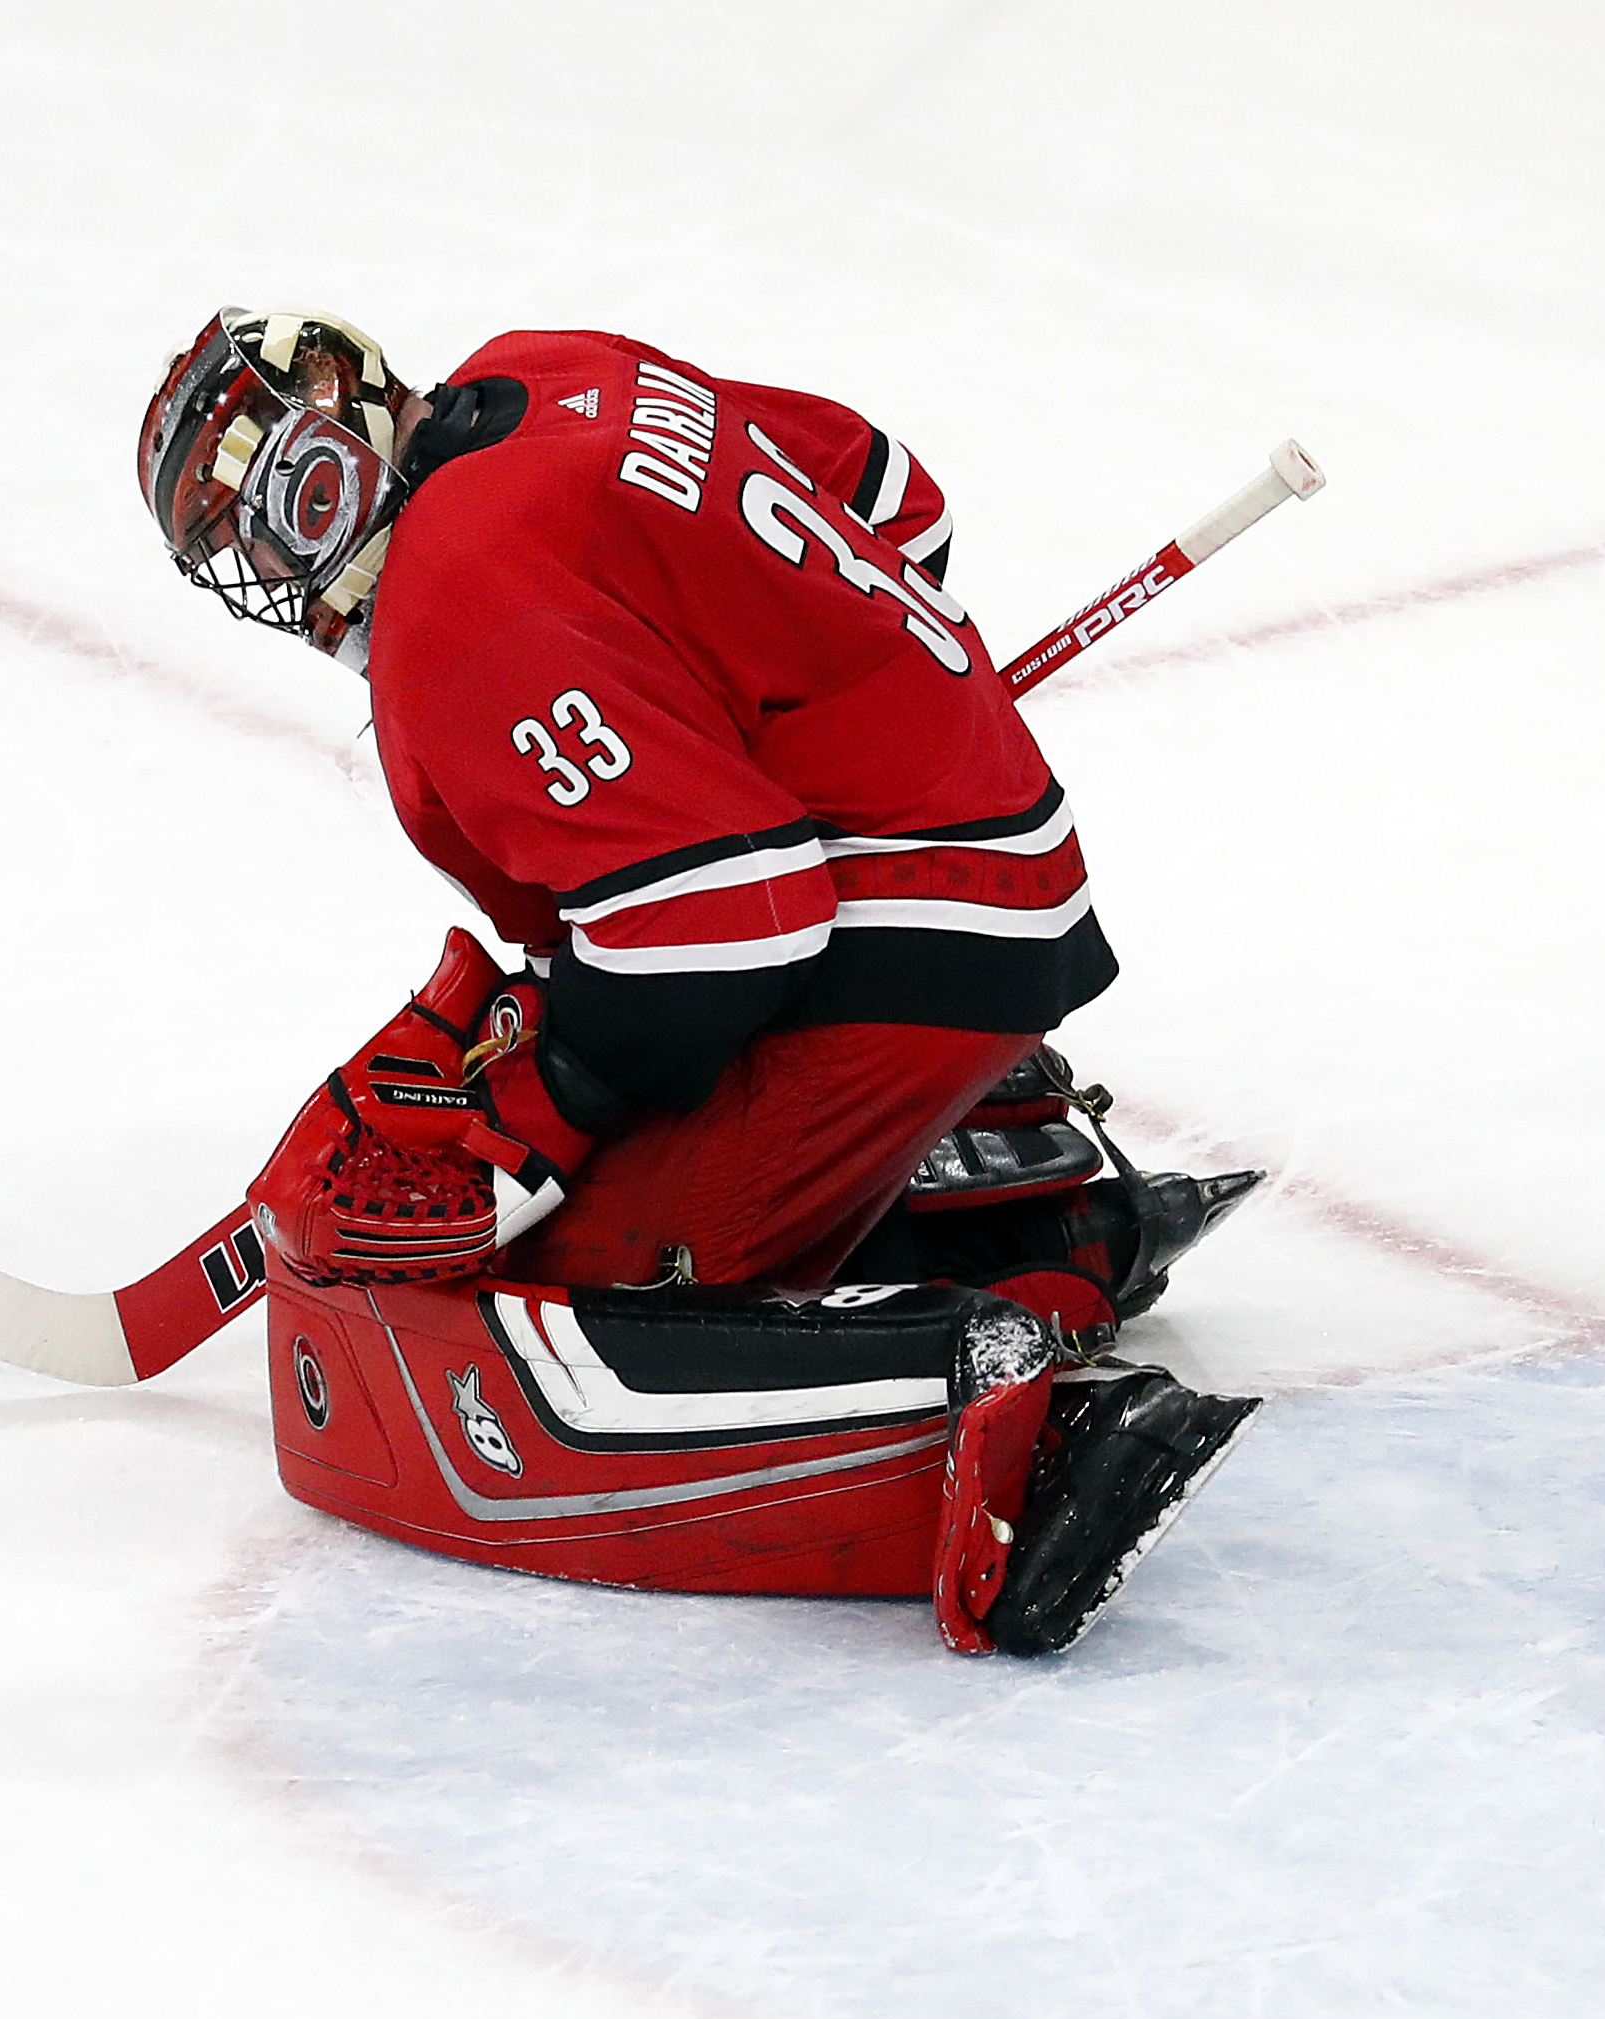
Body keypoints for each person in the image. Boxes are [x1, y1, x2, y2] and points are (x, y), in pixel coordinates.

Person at [134, 307, 1260, 1653]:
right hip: (966, 882)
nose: (286, 577)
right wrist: (837, 701)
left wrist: (537, 1124)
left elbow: (731, 925)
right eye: (246, 552)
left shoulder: (455, 591)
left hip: (903, 937)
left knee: (559, 1285)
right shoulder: (547, 370)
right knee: (656, 1027)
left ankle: (1021, 1398)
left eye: (291, 515)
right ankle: (1028, 1216)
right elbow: (885, 492)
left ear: (355, 440)